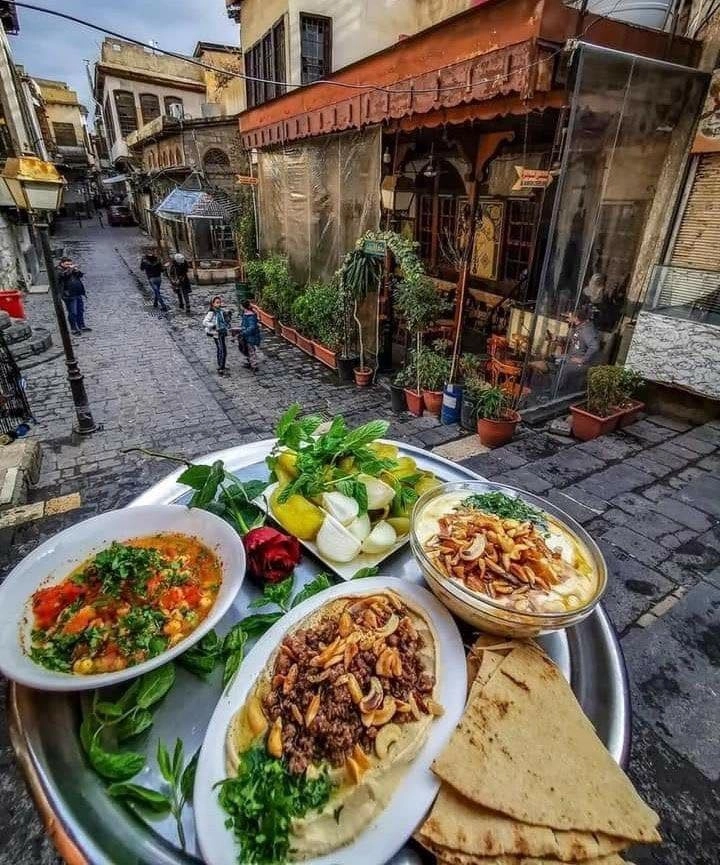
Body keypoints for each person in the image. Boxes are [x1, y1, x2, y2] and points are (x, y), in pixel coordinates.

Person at [56, 257, 90, 335]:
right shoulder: (58, 270)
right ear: (62, 264)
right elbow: (63, 276)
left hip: (77, 293)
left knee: (80, 310)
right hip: (69, 295)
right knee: (72, 312)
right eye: (67, 264)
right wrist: (70, 269)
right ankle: (73, 328)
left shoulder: (71, 270)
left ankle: (81, 325)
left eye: (70, 264)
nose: (69, 266)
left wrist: (76, 271)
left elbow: (80, 275)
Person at [203, 295, 231, 374]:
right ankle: (221, 367)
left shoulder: (221, 311)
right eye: (217, 303)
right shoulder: (211, 313)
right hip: (217, 333)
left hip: (222, 332)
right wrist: (213, 325)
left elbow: (225, 321)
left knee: (221, 349)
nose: (219, 304)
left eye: (220, 302)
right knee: (222, 350)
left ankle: (221, 365)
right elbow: (205, 322)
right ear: (213, 304)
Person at [240, 299, 261, 372]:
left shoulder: (250, 316)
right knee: (248, 350)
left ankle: (254, 365)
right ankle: (251, 362)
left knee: (251, 351)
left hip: (250, 337)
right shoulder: (247, 314)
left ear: (243, 307)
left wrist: (244, 332)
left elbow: (252, 327)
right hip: (248, 336)